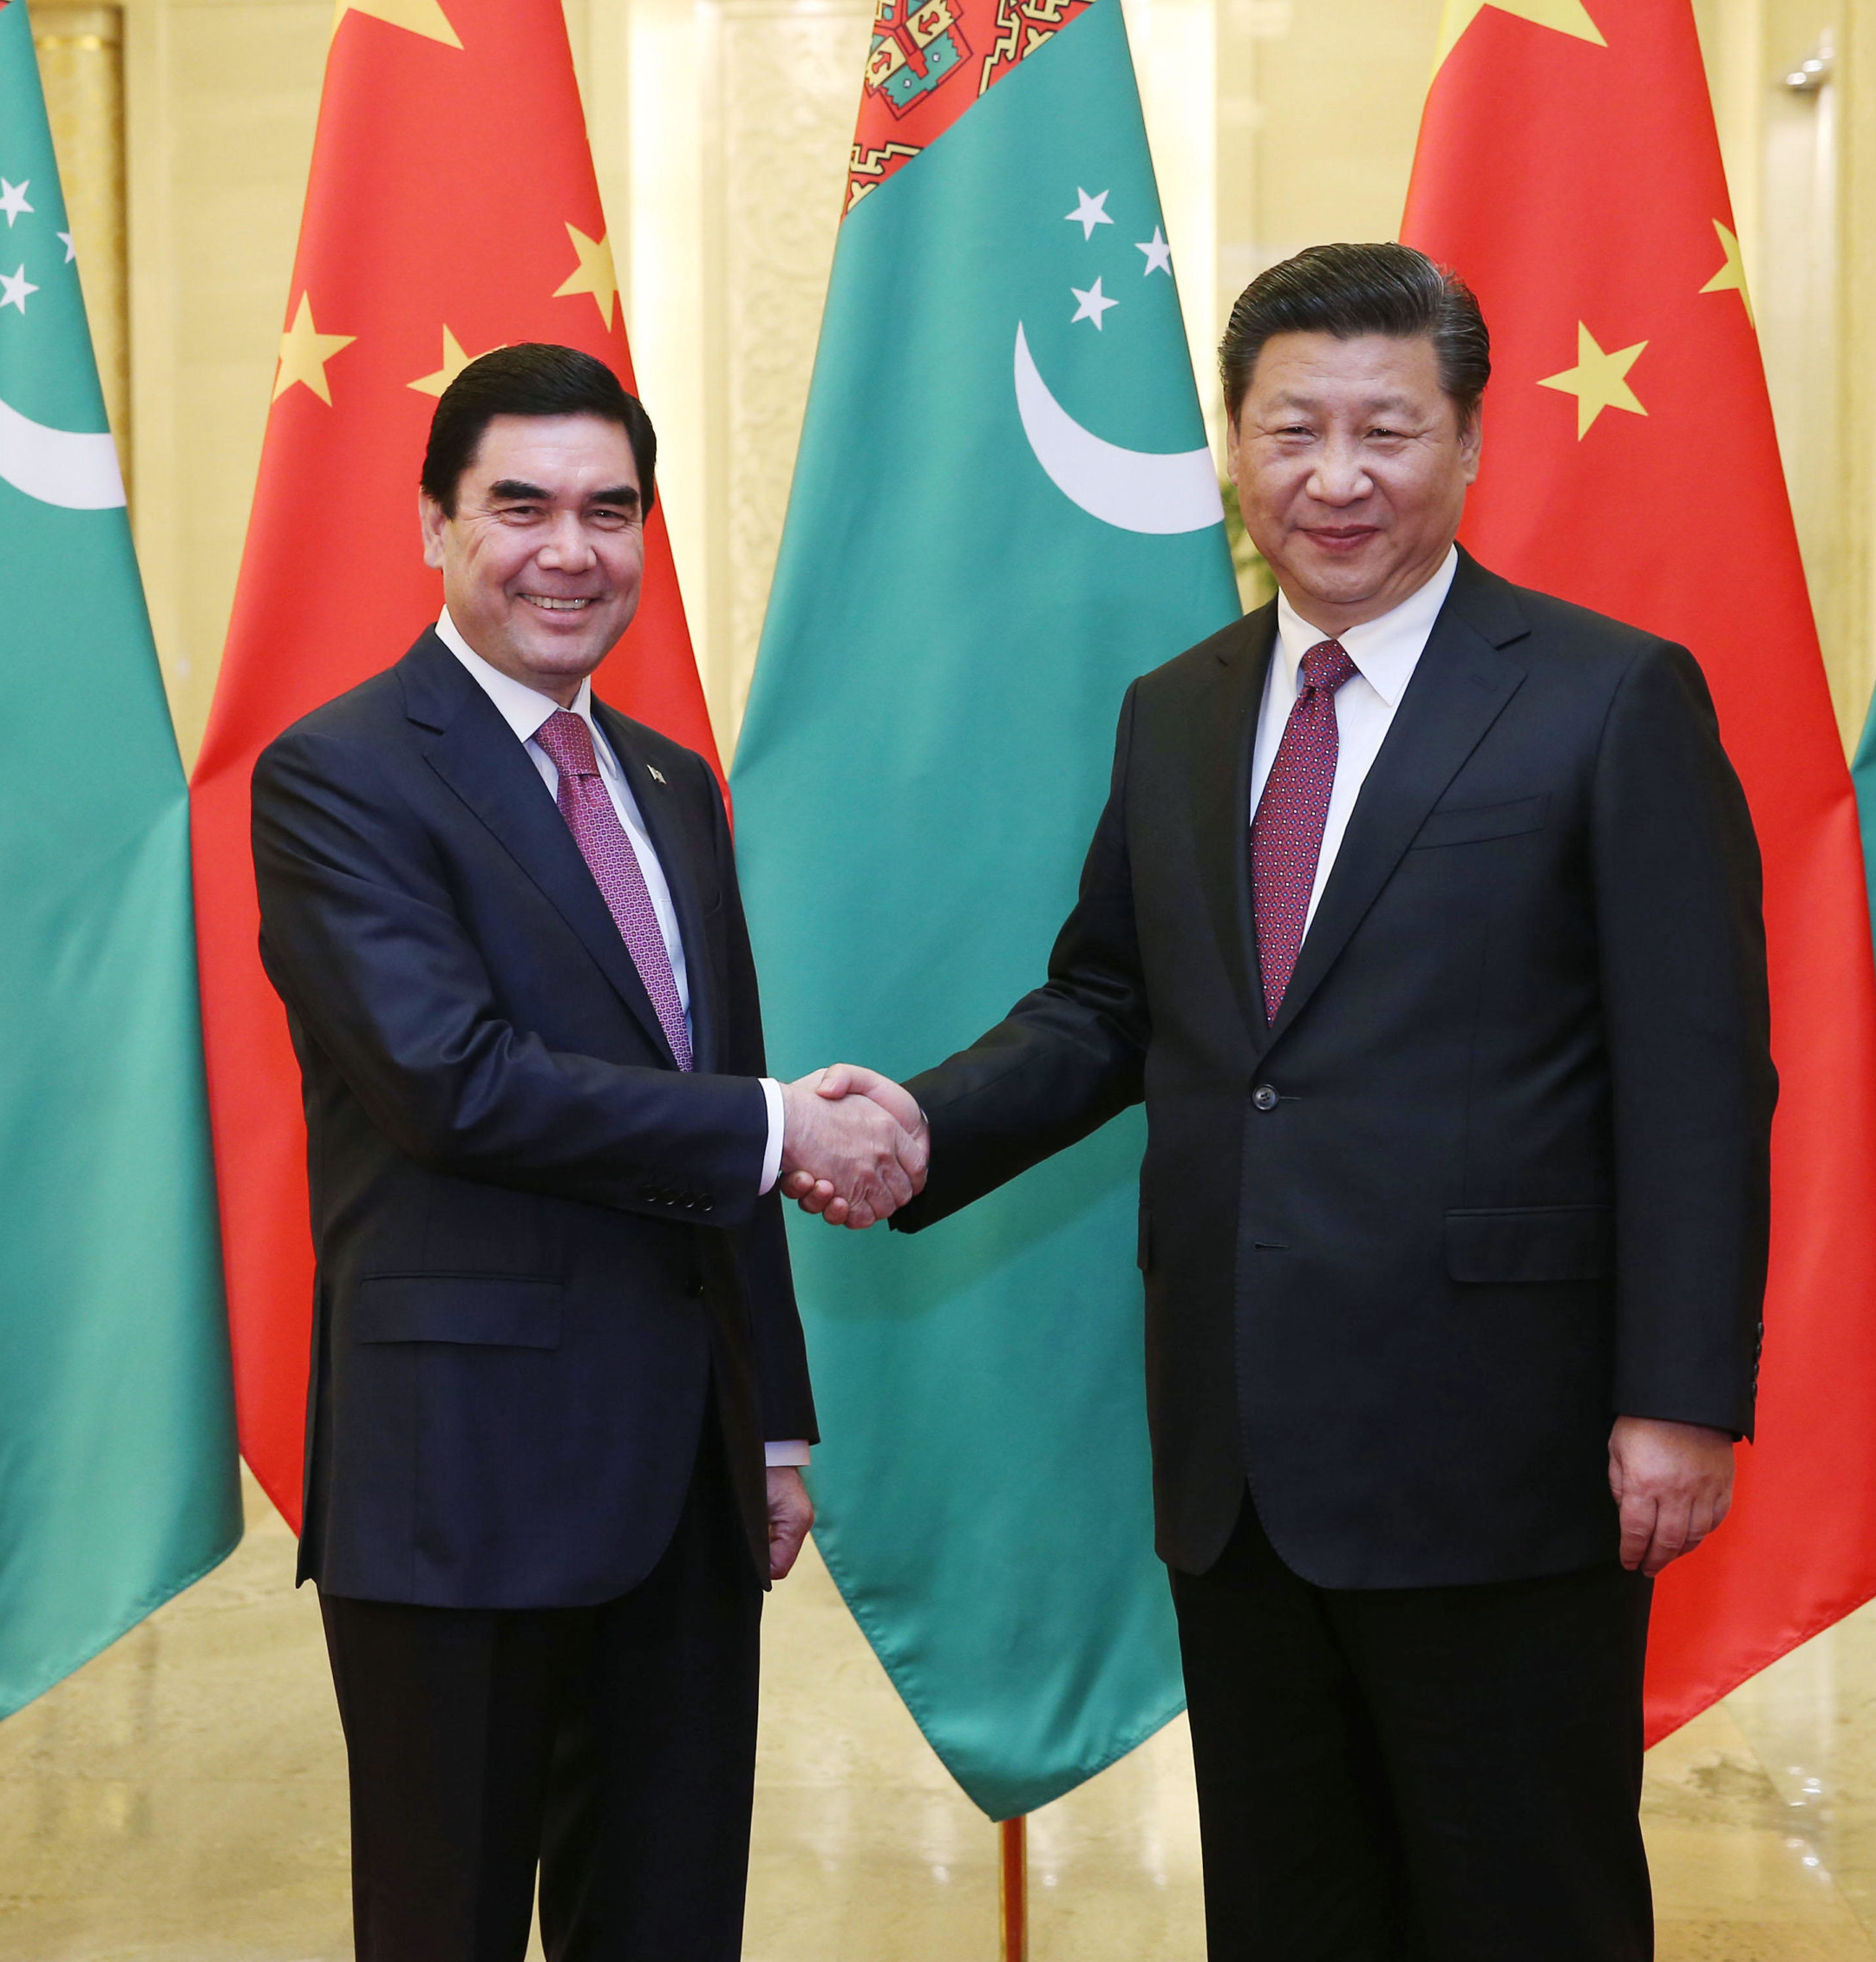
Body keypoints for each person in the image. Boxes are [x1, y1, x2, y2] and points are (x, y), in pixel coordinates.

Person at [796, 245, 1775, 1958]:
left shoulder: (1607, 697)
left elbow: (1698, 1076)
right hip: (1238, 1458)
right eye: (1290, 430)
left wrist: (1679, 1400)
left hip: (1504, 1448)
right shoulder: (1176, 713)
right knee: (1285, 1906)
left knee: (1515, 1901)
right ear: (1233, 448)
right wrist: (926, 1127)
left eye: (1384, 430)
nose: (1335, 478)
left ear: (1467, 442)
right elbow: (1111, 1004)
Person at [251, 343, 923, 1962]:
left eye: (611, 512)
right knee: (449, 1923)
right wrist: (782, 1126)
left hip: (684, 1479)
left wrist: (771, 1423)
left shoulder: (672, 785)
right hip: (460, 1479)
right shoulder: (339, 774)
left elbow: (716, 1090)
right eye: (522, 506)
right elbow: (454, 1084)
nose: (572, 550)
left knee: (670, 1921)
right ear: (434, 525)